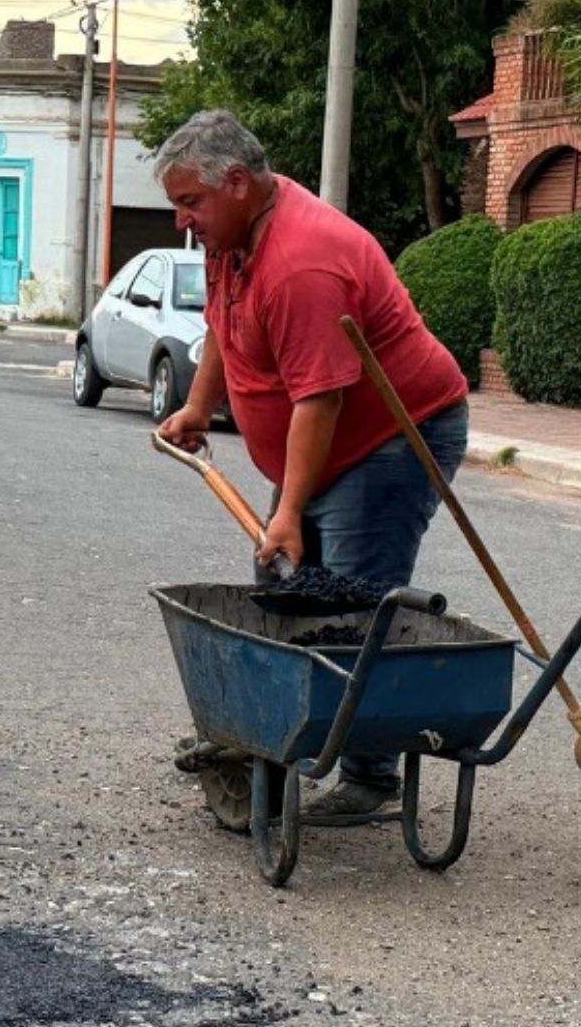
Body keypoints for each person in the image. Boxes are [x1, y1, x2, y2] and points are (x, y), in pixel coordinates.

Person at [154, 110, 471, 819]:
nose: (182, 221)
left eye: (190, 202)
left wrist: (291, 510)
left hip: (393, 437)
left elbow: (320, 399)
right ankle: (282, 736)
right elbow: (222, 325)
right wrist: (200, 406)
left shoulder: (302, 262)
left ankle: (370, 775)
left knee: (351, 605)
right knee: (286, 586)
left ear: (237, 183)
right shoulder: (232, 236)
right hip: (333, 439)